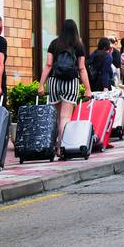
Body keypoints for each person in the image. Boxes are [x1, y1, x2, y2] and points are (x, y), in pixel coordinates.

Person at [38, 19, 93, 157]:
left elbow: (48, 65)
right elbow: (81, 68)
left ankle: (56, 146)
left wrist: (41, 85)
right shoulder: (78, 45)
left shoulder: (54, 44)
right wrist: (88, 88)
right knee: (65, 117)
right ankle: (62, 148)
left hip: (54, 81)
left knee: (57, 118)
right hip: (70, 82)